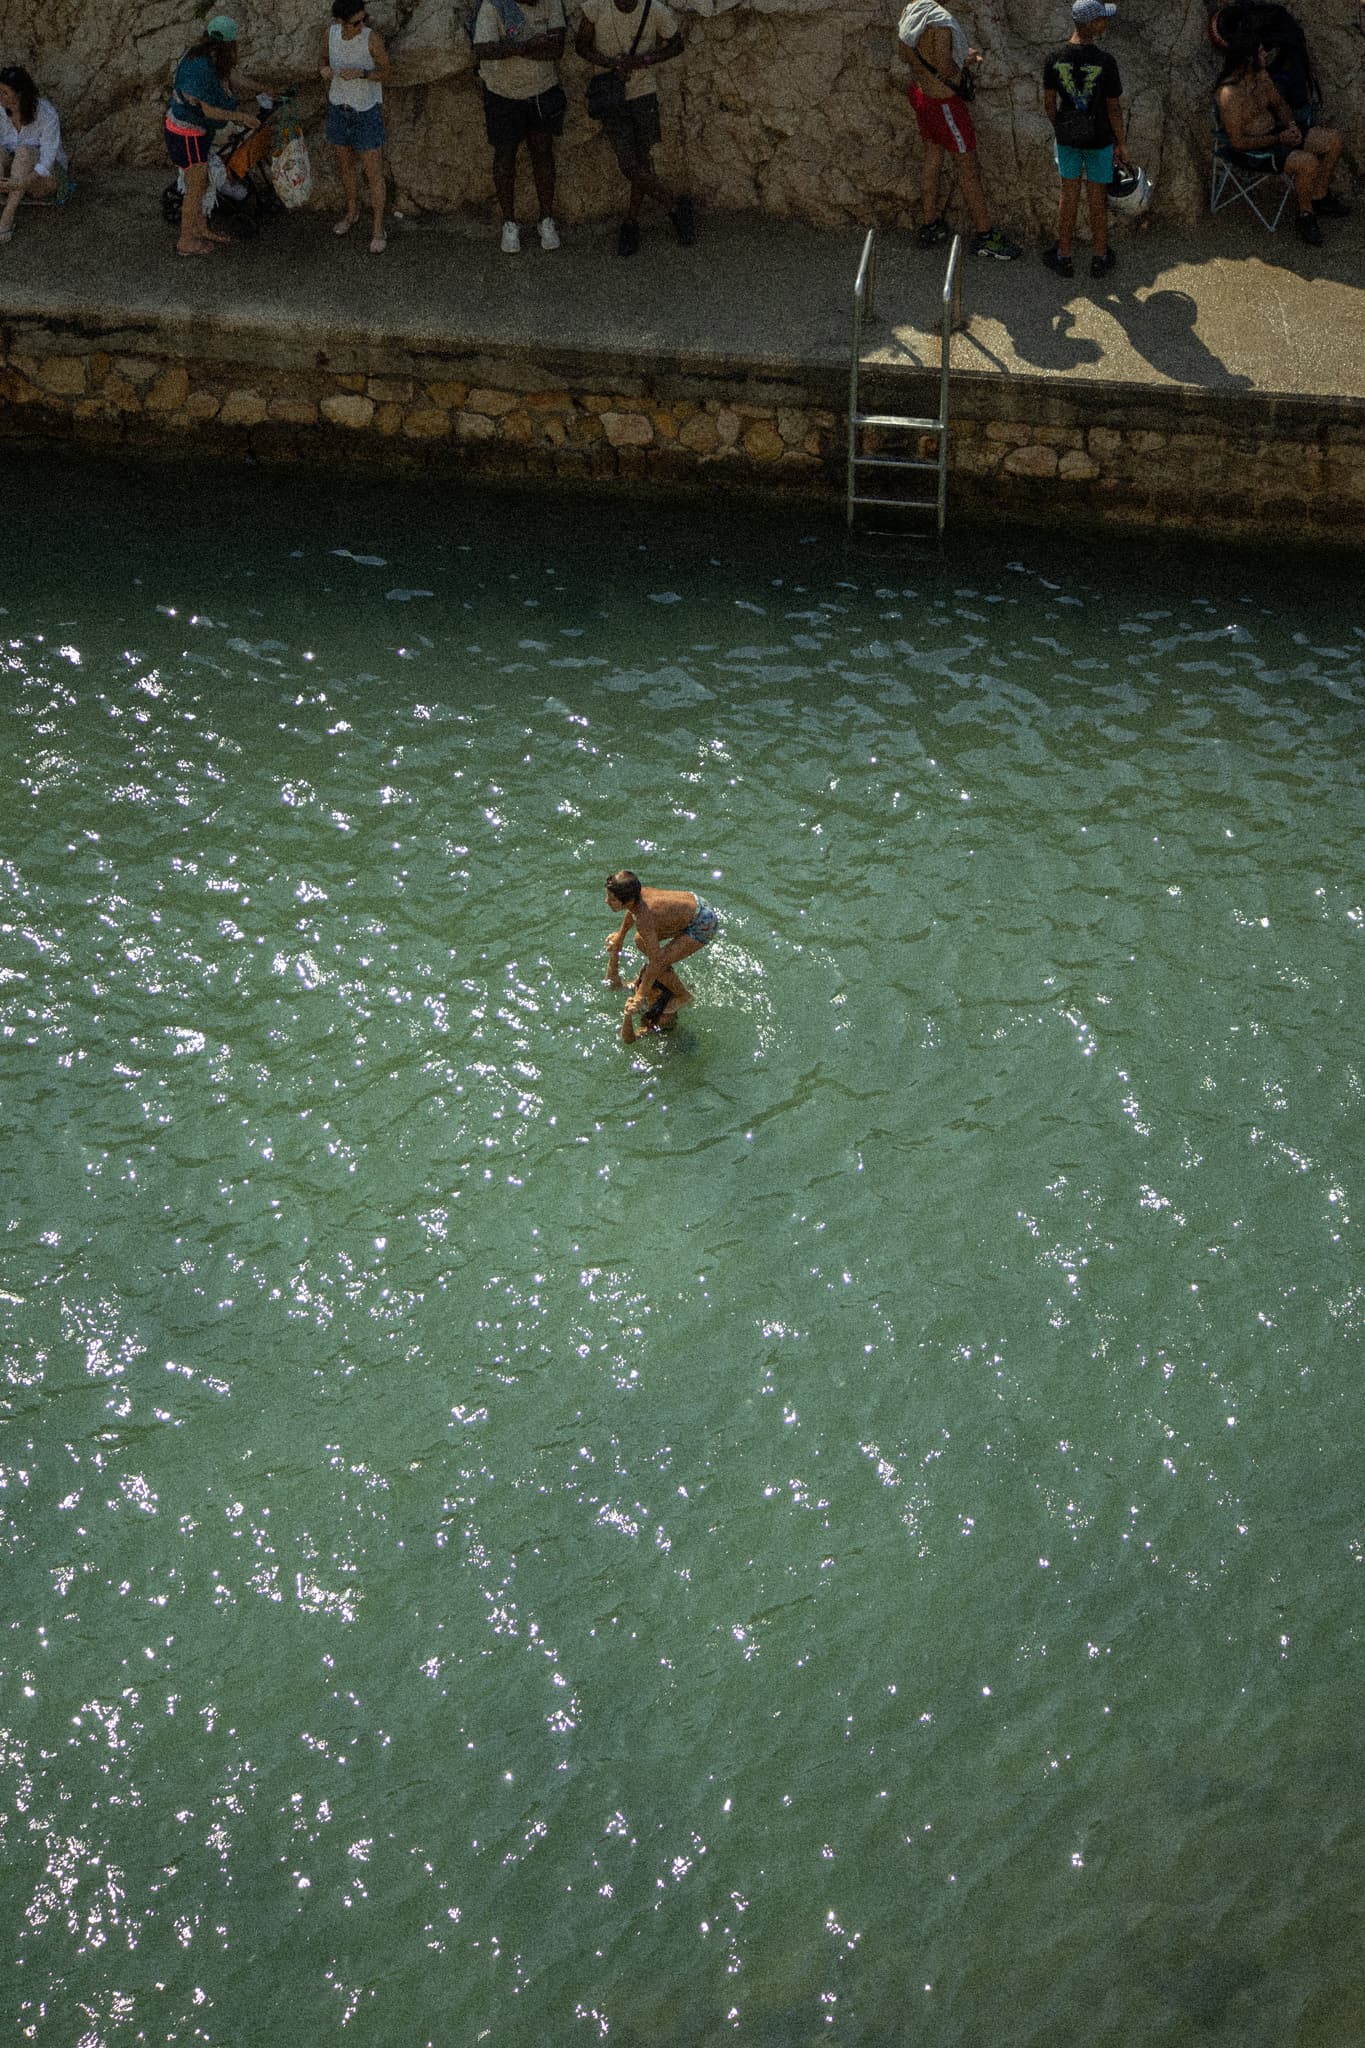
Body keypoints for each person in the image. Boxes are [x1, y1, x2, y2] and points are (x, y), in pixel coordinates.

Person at [896, 1, 1020, 261]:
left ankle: (930, 224)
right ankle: (985, 236)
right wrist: (968, 59)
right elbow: (944, 67)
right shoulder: (940, 24)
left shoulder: (911, 10)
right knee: (968, 169)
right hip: (944, 105)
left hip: (921, 95)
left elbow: (903, 54)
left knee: (932, 158)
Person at [575, 0, 696, 257]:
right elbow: (581, 45)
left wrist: (647, 58)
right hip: (611, 93)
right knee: (629, 165)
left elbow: (677, 44)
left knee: (641, 161)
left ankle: (631, 223)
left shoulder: (654, 10)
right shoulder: (596, 6)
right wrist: (611, 64)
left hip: (643, 93)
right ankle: (674, 208)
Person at [1215, 39, 1345, 245]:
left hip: (1277, 133)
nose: (1266, 55)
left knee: (1334, 140)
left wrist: (1291, 125)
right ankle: (1305, 215)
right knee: (1308, 162)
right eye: (1261, 52)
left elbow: (1280, 104)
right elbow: (1238, 142)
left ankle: (1319, 196)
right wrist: (1278, 138)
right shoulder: (1229, 94)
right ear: (1249, 59)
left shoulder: (1262, 77)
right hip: (1253, 151)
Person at [1041, 1, 1130, 281]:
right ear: (1091, 24)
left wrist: (1061, 126)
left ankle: (1063, 255)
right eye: (1102, 19)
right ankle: (1099, 256)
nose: (1106, 22)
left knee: (1068, 195)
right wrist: (1122, 143)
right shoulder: (1105, 62)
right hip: (1100, 139)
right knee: (1096, 197)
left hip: (1068, 137)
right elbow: (1113, 108)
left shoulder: (1054, 58)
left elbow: (1048, 102)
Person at [471, 0, 567, 254]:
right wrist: (528, 45)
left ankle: (546, 219)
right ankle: (509, 222)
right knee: (505, 156)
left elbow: (557, 48)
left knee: (543, 152)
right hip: (502, 92)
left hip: (543, 90)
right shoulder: (494, 6)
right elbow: (482, 48)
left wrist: (511, 47)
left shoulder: (551, 2)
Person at [164, 16, 261, 258]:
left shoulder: (207, 56)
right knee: (195, 188)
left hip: (194, 130)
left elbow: (232, 77)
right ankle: (186, 241)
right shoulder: (201, 67)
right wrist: (241, 117)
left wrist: (264, 89)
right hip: (187, 133)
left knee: (202, 182)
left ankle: (200, 228)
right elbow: (209, 110)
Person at [604, 870, 720, 1045]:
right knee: (640, 941)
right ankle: (672, 984)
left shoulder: (644, 919)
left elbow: (656, 961)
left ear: (627, 900)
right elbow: (633, 913)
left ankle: (684, 996)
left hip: (702, 924)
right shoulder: (638, 897)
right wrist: (619, 939)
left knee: (658, 964)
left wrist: (640, 996)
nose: (607, 901)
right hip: (695, 905)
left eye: (612, 899)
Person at [321, 1, 391, 254]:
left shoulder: (371, 39)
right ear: (339, 21)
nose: (362, 26)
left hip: (366, 112)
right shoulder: (329, 34)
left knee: (373, 172)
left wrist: (363, 73)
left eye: (364, 20)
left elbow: (387, 71)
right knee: (346, 166)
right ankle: (352, 212)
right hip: (339, 108)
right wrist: (324, 70)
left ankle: (378, 227)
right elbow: (323, 59)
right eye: (356, 22)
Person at [0, 66, 71, 242]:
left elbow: (47, 160)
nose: (0, 97)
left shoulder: (46, 114)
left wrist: (23, 181)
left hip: (42, 180)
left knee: (24, 152)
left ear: (20, 94)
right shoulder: (0, 110)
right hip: (12, 177)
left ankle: (6, 219)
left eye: (4, 92)